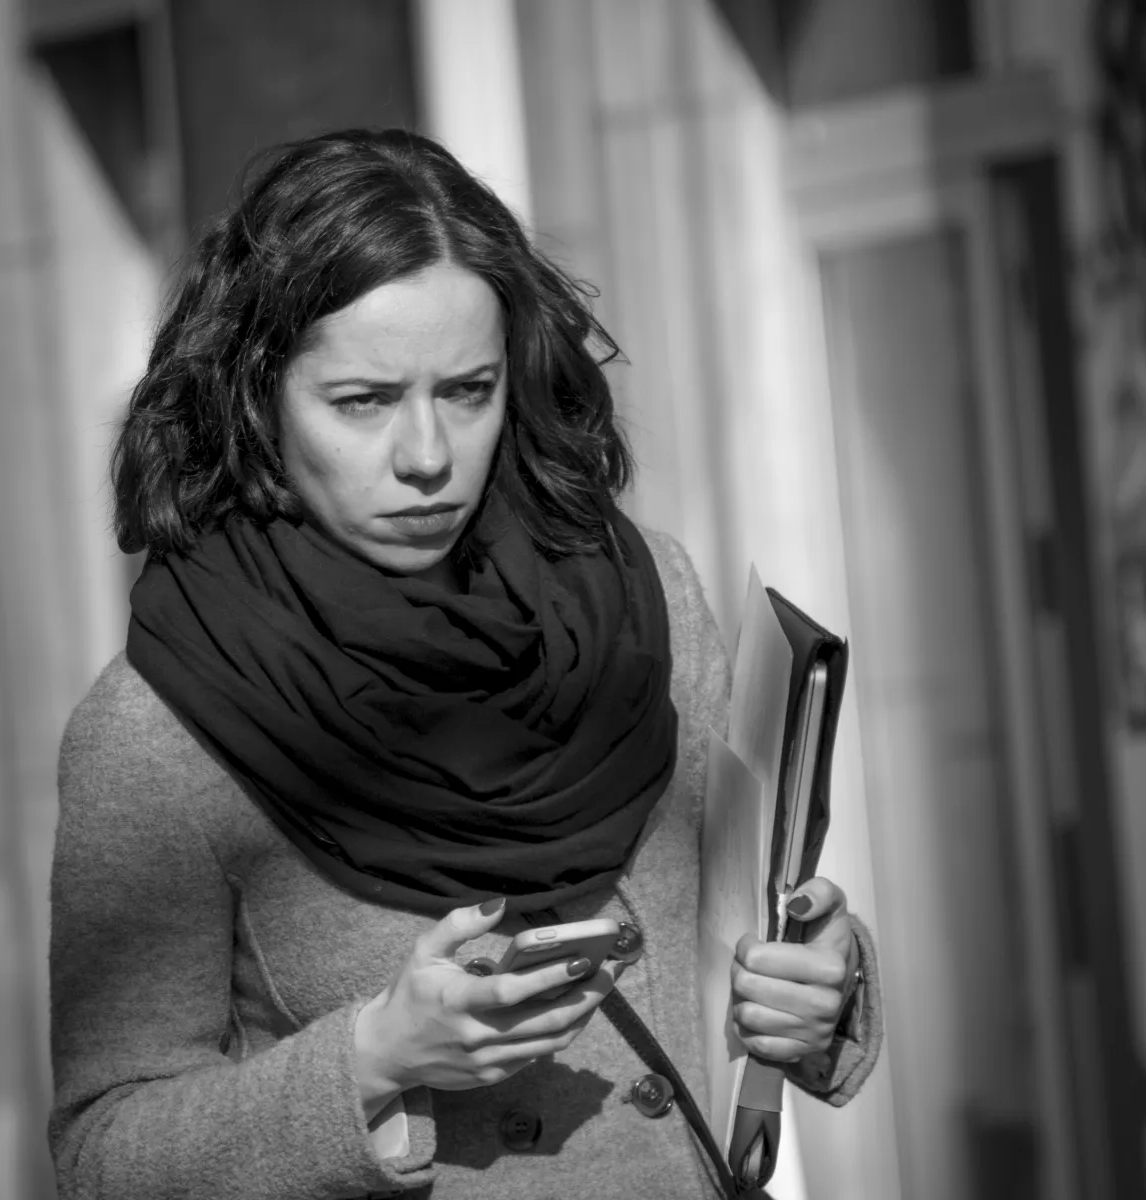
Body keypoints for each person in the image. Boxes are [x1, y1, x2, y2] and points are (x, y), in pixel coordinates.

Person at [48, 128, 882, 1200]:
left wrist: (817, 987)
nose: (428, 456)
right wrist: (370, 1062)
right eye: (363, 401)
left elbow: (727, 933)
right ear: (255, 400)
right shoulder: (158, 726)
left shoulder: (647, 600)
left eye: (468, 390)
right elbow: (99, 1153)